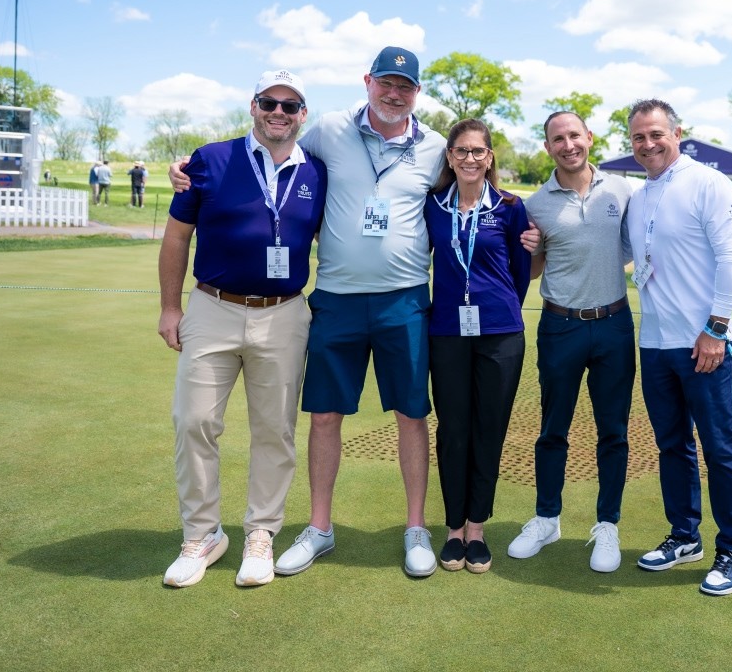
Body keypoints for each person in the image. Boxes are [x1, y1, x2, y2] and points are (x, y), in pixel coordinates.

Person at [170, 47, 447, 577]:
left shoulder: (434, 147)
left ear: (417, 92)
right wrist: (186, 169)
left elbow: (467, 182)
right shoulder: (327, 130)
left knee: (412, 415)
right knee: (324, 415)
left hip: (406, 298)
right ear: (367, 81)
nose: (394, 94)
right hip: (336, 299)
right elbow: (273, 147)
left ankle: (416, 528)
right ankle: (319, 528)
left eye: (405, 86)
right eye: (385, 82)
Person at [157, 69, 326, 588]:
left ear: (302, 115)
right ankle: (202, 535)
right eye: (268, 103)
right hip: (213, 307)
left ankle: (261, 533)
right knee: (193, 421)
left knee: (275, 430)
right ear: (253, 106)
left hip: (284, 313)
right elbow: (177, 237)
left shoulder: (318, 171)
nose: (278, 113)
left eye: (290, 106)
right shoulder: (209, 160)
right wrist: (169, 308)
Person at [623, 98, 732, 596]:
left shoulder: (709, 183)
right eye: (638, 137)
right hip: (655, 343)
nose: (648, 144)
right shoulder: (640, 196)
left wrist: (716, 328)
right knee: (672, 446)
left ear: (678, 134)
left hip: (704, 343)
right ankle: (684, 536)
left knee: (720, 449)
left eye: (656, 134)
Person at [506, 111, 637, 573]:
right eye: (557, 139)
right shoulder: (535, 204)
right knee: (552, 429)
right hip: (560, 326)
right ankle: (547, 518)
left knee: (613, 432)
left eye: (574, 136)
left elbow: (633, 246)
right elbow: (533, 269)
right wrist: (530, 249)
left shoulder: (622, 190)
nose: (568, 145)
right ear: (548, 148)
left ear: (590, 138)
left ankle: (608, 524)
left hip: (614, 324)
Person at [425, 118, 531, 574]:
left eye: (478, 151)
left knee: (489, 429)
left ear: (489, 159)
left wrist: (499, 308)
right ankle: (453, 528)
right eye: (461, 151)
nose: (470, 158)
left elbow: (521, 271)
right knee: (453, 430)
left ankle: (476, 528)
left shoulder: (510, 207)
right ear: (450, 157)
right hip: (448, 331)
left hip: (501, 334)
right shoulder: (432, 206)